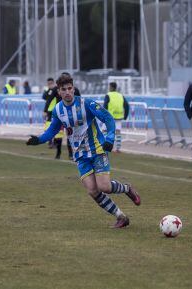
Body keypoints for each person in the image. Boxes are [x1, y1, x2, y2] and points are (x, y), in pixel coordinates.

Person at [26, 74, 141, 228]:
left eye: (69, 88)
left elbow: (108, 118)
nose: (67, 92)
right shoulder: (58, 110)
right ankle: (121, 217)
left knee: (104, 187)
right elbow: (53, 130)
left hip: (97, 149)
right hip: (80, 155)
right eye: (63, 89)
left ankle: (127, 188)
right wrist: (39, 140)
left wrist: (110, 138)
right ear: (58, 92)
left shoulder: (87, 104)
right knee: (93, 191)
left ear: (73, 89)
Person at [104, 82, 129, 152]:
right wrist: (125, 116)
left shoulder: (108, 95)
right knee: (118, 132)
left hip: (110, 116)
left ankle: (105, 147)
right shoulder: (120, 95)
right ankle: (118, 149)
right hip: (119, 116)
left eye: (109, 87)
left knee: (105, 131)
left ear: (111, 87)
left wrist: (103, 116)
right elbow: (127, 106)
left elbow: (105, 106)